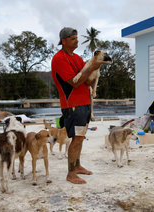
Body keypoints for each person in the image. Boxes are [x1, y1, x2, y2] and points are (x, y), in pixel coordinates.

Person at [51, 27, 106, 184]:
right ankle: (70, 174)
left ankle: (77, 166)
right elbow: (75, 83)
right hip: (72, 105)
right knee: (76, 139)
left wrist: (95, 69)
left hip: (85, 103)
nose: (77, 40)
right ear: (64, 41)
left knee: (80, 137)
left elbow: (87, 80)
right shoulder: (59, 59)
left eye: (77, 37)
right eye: (73, 38)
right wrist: (91, 68)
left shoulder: (77, 58)